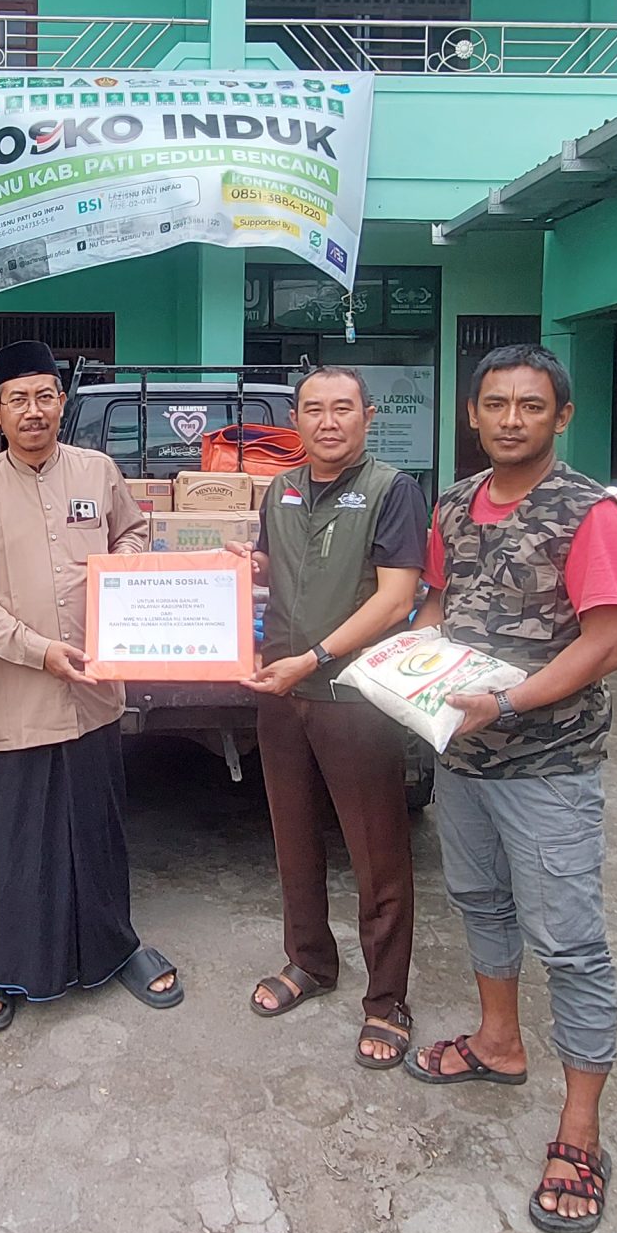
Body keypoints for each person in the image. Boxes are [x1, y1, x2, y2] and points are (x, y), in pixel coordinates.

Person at [404, 342, 617, 1233]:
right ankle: (499, 1042)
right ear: (472, 415)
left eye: (531, 406)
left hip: (550, 763)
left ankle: (579, 1130)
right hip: (464, 755)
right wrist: (413, 676)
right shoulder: (454, 504)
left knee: (570, 943)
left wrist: (506, 701)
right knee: (480, 901)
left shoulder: (589, 513)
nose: (511, 419)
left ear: (561, 417)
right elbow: (438, 605)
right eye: (495, 404)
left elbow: (607, 642)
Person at [0, 339, 184, 1029]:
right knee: (16, 839)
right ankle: (3, 964)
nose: (34, 410)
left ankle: (116, 947)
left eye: (45, 396)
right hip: (18, 698)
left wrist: (118, 576)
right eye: (18, 399)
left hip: (94, 694)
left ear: (61, 402)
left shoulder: (97, 471)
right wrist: (38, 649)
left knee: (98, 829)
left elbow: (135, 532)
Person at [242, 366, 427, 1069]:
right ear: (295, 420)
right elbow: (273, 569)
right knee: (294, 840)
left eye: (342, 408)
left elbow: (396, 598)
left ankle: (386, 1000)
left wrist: (315, 657)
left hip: (354, 696)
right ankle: (310, 962)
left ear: (367, 416)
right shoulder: (280, 489)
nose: (327, 421)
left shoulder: (392, 490)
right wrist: (240, 569)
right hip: (280, 692)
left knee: (377, 854)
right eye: (313, 409)